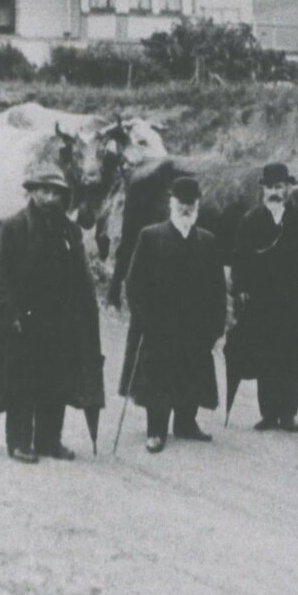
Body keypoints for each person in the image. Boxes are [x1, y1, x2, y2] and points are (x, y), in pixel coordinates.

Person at [0, 160, 105, 462]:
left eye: (56, 192)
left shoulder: (69, 232)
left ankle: (49, 440)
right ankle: (19, 442)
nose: (51, 198)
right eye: (44, 191)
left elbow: (82, 278)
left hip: (61, 323)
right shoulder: (13, 228)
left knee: (56, 381)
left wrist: (86, 316)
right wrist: (8, 316)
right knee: (21, 382)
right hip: (24, 322)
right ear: (32, 192)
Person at [120, 175, 226, 454]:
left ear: (198, 206)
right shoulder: (150, 236)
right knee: (158, 376)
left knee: (192, 373)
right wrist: (145, 320)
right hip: (159, 325)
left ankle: (185, 424)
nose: (186, 208)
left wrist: (217, 329)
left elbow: (217, 290)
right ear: (171, 203)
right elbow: (134, 284)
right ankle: (156, 430)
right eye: (181, 203)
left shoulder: (208, 241)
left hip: (195, 326)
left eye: (191, 204)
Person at [226, 162, 298, 432]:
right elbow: (239, 258)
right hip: (261, 303)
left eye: (279, 187)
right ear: (263, 190)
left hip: (294, 302)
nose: (273, 192)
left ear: (288, 189)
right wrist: (240, 289)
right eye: (269, 187)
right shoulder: (250, 221)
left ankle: (288, 414)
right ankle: (268, 414)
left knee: (290, 357)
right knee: (265, 356)